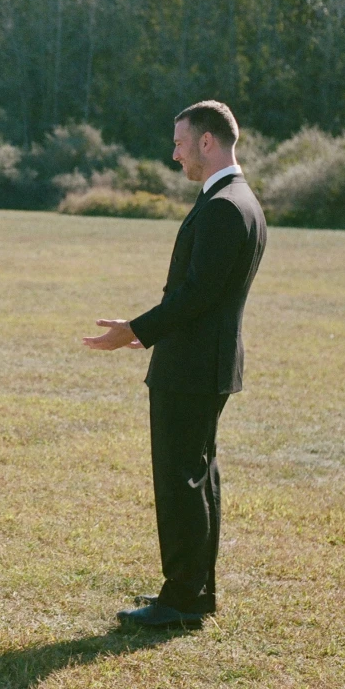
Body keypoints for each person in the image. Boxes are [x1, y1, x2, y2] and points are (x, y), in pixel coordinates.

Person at [83, 101, 267, 628]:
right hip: (202, 361)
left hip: (192, 368)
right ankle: (192, 592)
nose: (175, 154)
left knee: (180, 480)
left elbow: (196, 294)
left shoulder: (224, 206)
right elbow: (203, 297)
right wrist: (151, 334)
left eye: (180, 143)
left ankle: (181, 600)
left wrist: (136, 331)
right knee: (196, 478)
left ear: (207, 142)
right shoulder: (238, 200)